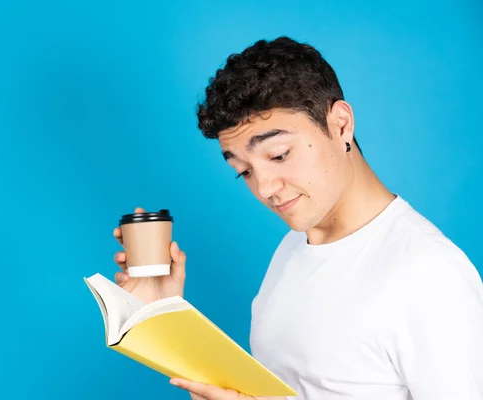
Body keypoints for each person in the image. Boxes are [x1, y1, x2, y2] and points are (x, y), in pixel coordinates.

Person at [112, 36, 483, 400]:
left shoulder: (431, 275)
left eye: (278, 155)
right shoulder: (296, 243)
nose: (265, 188)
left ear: (340, 124)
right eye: (244, 171)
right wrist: (167, 314)